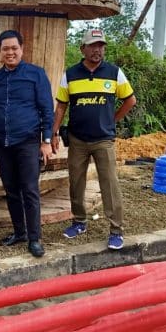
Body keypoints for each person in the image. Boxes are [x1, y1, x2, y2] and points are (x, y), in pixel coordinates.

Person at [51, 29, 137, 250]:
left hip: (103, 140)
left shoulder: (114, 73)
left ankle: (116, 230)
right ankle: (79, 221)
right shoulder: (70, 74)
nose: (97, 50)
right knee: (76, 182)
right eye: (93, 45)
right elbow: (61, 106)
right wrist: (54, 132)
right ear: (83, 49)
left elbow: (130, 100)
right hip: (77, 140)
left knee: (110, 184)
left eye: (101, 45)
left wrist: (112, 119)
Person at [0, 29, 54, 258]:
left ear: (22, 49)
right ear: (0, 51)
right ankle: (19, 232)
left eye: (14, 48)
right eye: (5, 49)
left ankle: (34, 239)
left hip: (28, 142)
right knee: (11, 190)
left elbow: (47, 110)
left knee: (30, 190)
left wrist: (46, 141)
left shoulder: (36, 74)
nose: (10, 52)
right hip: (2, 144)